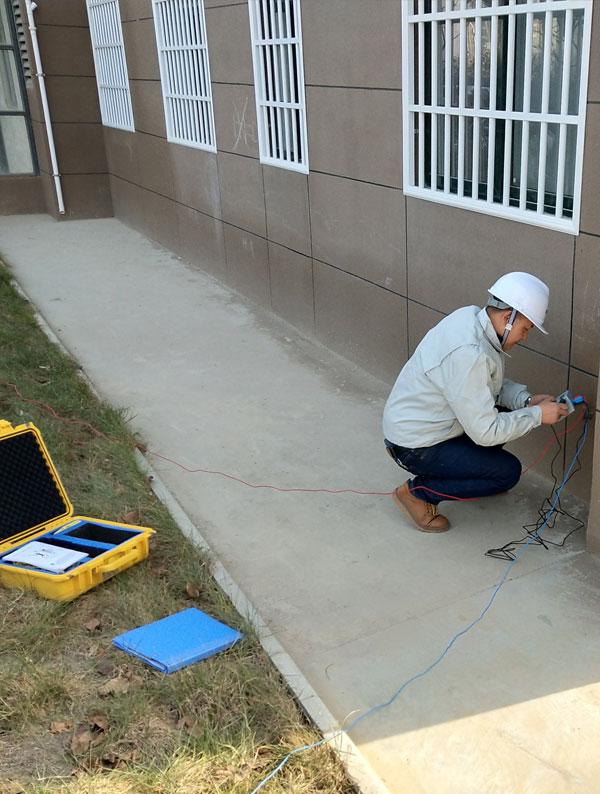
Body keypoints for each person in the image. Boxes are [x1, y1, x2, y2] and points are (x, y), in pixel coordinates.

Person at [383, 272, 569, 533]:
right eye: (525, 328)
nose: (525, 337)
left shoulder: (471, 319)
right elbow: (485, 431)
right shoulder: (468, 353)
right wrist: (537, 415)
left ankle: (477, 476)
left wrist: (526, 401)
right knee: (507, 473)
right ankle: (418, 494)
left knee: (507, 413)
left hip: (425, 425)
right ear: (508, 318)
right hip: (414, 446)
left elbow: (486, 383)